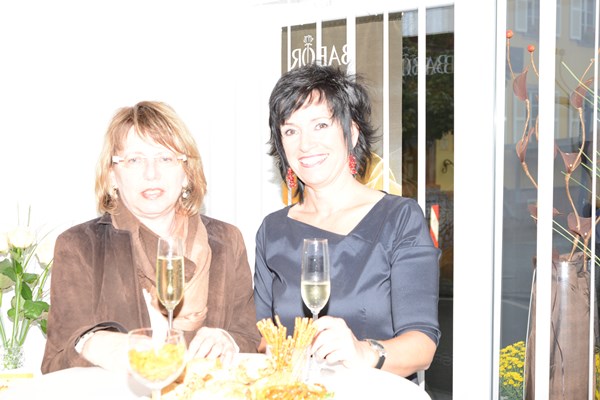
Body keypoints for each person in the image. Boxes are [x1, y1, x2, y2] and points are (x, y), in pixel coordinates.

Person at [42, 101, 260, 374]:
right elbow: (55, 364)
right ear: (112, 176)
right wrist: (93, 344)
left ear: (186, 173)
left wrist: (229, 340)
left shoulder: (227, 240)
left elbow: (249, 337)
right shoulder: (79, 246)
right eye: (134, 160)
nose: (151, 173)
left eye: (165, 158)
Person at [253, 64, 440, 380]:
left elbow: (422, 346)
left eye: (320, 125)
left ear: (351, 133)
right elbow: (262, 336)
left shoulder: (399, 219)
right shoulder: (272, 230)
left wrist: (364, 352)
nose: (305, 144)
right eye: (290, 130)